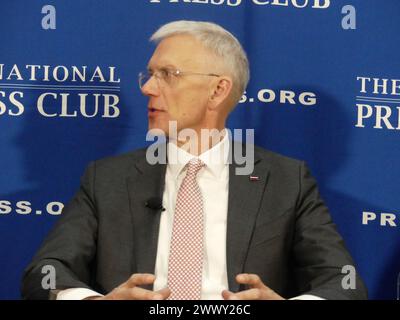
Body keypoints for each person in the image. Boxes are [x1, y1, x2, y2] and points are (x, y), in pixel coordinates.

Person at [21, 20, 367, 300]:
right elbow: (45, 272)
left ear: (218, 90)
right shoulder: (107, 178)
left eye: (168, 75)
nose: (147, 88)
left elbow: (345, 283)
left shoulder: (287, 181)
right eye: (150, 74)